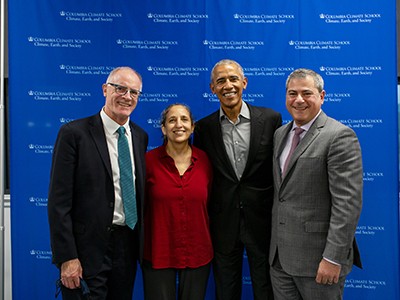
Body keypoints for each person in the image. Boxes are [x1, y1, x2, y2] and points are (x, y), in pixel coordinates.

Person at [48, 66, 148, 299]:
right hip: (85, 251)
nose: (127, 97)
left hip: (127, 246)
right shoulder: (74, 133)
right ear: (105, 89)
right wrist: (67, 257)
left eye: (134, 92)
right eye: (120, 88)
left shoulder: (140, 136)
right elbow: (58, 202)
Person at [269, 68, 363, 300]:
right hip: (280, 260)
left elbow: (347, 205)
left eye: (306, 93)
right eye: (292, 93)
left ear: (321, 96)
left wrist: (333, 258)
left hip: (319, 262)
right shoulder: (280, 134)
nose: (298, 100)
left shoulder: (339, 136)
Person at [193, 59, 282, 300]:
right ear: (213, 88)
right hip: (223, 224)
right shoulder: (202, 128)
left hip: (262, 221)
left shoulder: (271, 119)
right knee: (226, 289)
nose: (228, 85)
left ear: (244, 83)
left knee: (266, 288)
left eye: (233, 79)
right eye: (220, 81)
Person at [142, 103, 213, 300]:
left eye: (184, 119)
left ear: (192, 127)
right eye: (172, 120)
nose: (178, 125)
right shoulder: (147, 161)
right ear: (163, 128)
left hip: (198, 250)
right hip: (158, 250)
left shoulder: (206, 161)